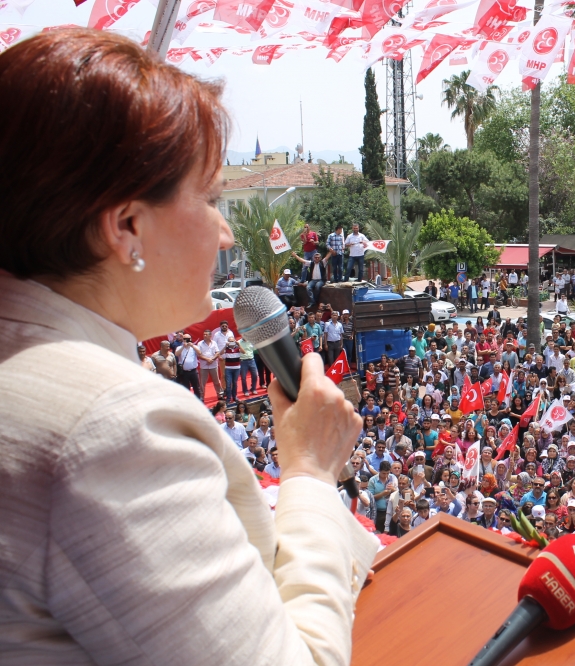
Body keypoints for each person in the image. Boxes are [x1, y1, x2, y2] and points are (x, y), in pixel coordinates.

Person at [0, 30, 377, 663]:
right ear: (126, 227)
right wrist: (310, 471)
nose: (228, 234)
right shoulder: (111, 430)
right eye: (208, 198)